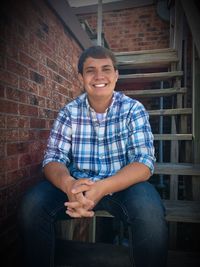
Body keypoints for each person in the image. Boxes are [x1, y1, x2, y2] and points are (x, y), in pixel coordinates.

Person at [18, 45, 168, 267]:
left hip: (122, 186)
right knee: (32, 205)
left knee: (150, 215)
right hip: (78, 185)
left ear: (116, 75)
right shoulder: (68, 112)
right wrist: (69, 185)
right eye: (90, 70)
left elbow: (143, 163)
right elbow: (52, 159)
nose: (99, 76)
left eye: (106, 69)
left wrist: (103, 187)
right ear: (81, 77)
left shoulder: (133, 109)